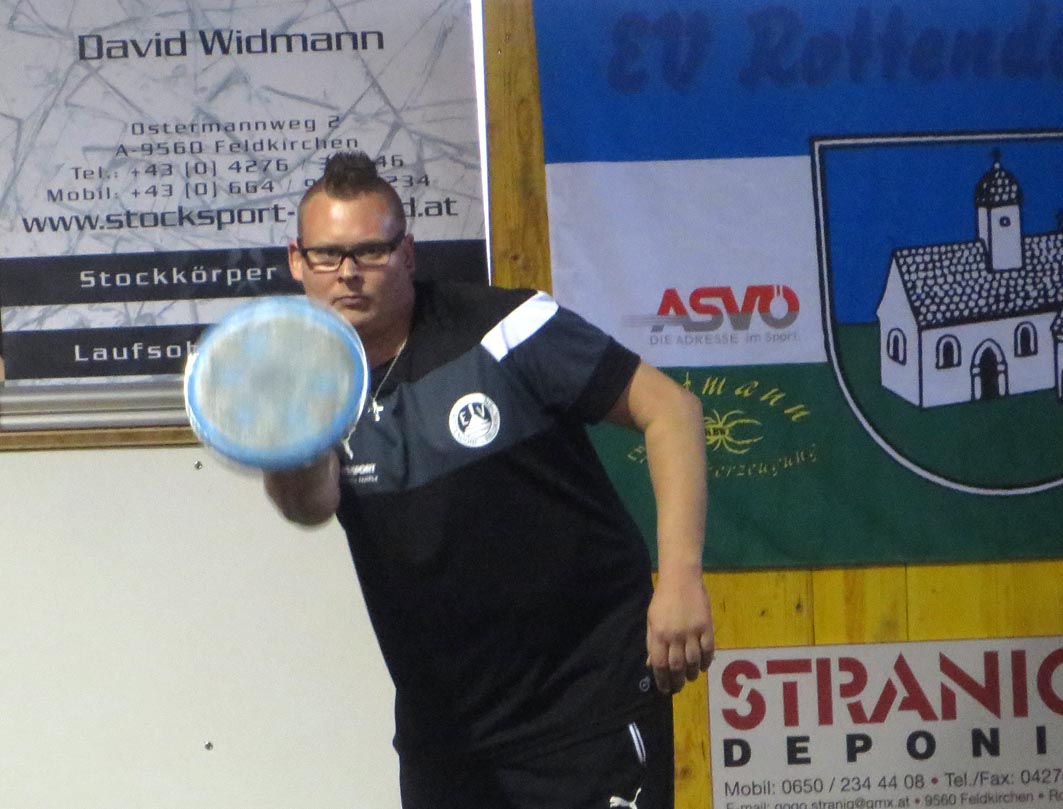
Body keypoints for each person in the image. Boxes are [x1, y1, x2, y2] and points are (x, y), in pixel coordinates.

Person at [264, 151, 714, 809]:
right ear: (297, 260)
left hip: (583, 700)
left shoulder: (505, 328)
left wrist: (679, 580)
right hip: (445, 732)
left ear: (408, 253)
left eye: (371, 251)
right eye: (328, 255)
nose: (349, 273)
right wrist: (289, 438)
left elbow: (671, 410)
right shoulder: (310, 381)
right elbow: (309, 505)